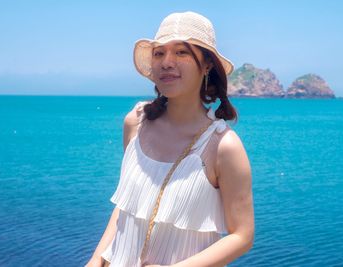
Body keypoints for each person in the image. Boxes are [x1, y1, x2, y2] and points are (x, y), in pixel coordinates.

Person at [85, 11, 254, 267]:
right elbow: (127, 206)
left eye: (181, 52)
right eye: (159, 53)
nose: (166, 62)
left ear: (207, 64)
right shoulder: (136, 123)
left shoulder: (223, 146)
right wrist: (95, 260)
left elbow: (242, 236)